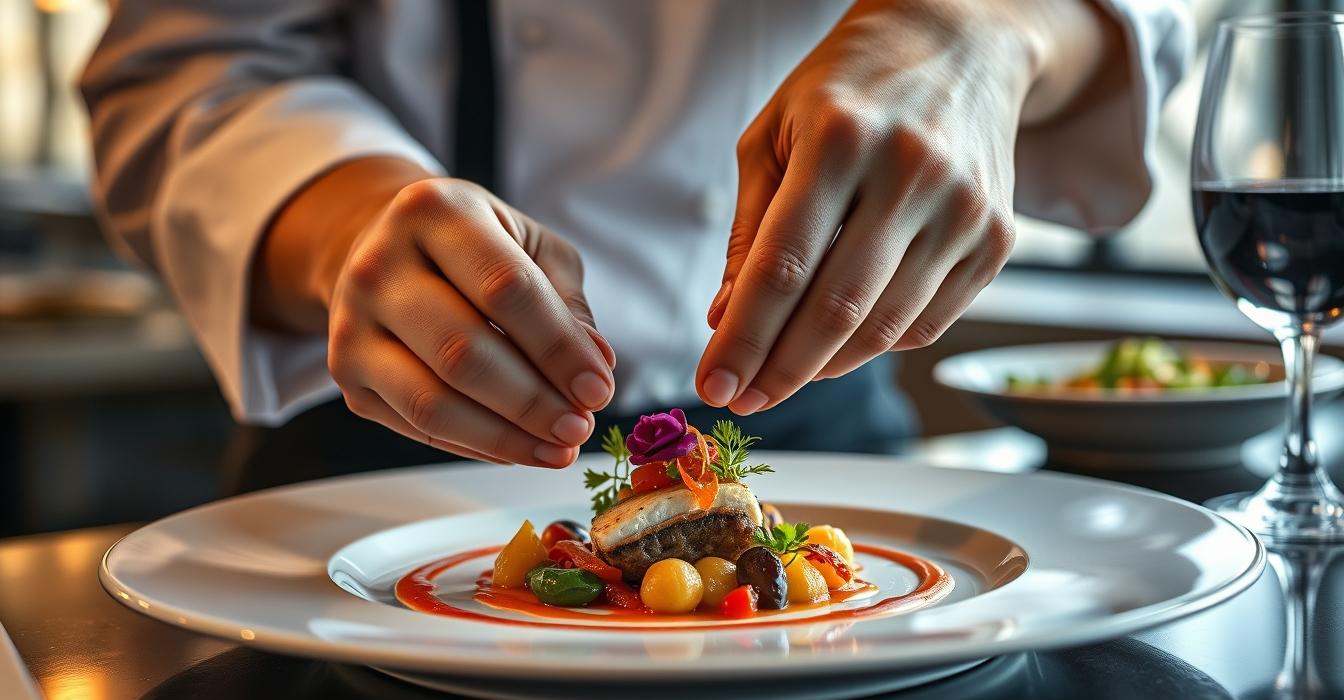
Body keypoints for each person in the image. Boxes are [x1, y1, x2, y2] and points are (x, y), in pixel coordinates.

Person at [80, 1, 1190, 489]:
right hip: (375, 453)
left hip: (823, 438)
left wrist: (990, 30)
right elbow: (187, 67)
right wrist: (345, 222)